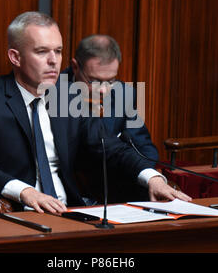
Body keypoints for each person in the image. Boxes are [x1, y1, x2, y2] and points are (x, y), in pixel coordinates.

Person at [0, 11, 191, 215]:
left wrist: (152, 177)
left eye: (58, 51)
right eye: (42, 52)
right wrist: (25, 192)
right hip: (20, 213)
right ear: (15, 57)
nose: (53, 61)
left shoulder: (68, 96)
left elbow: (109, 146)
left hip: (73, 210)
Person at [63, 34, 159, 202]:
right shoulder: (54, 91)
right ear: (75, 66)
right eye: (94, 80)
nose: (103, 90)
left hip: (115, 190)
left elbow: (144, 148)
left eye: (110, 81)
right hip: (70, 193)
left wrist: (147, 176)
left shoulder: (123, 93)